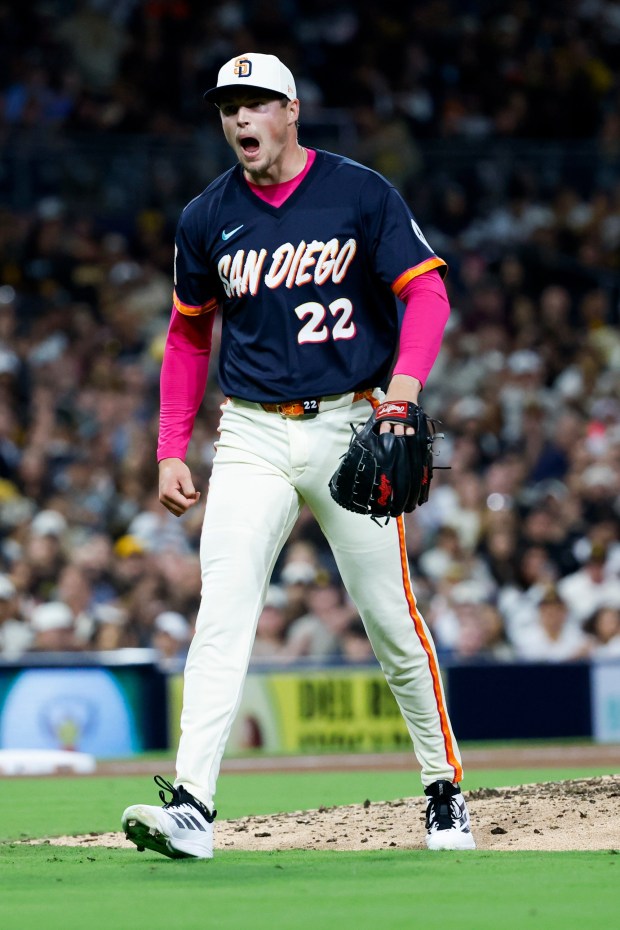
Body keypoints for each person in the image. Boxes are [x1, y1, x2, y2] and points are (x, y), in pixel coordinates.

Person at [122, 52, 475, 859]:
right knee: (224, 609)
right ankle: (192, 807)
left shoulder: (358, 191)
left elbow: (427, 291)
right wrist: (171, 446)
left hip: (351, 421)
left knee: (390, 619)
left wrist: (404, 391)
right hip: (249, 433)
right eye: (227, 107)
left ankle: (444, 789)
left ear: (291, 110)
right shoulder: (205, 217)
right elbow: (186, 334)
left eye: (254, 104)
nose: (239, 120)